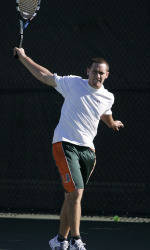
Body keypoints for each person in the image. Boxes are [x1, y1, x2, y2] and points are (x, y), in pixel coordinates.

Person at [13, 47, 124, 250]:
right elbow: (45, 76)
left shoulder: (108, 97)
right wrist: (24, 57)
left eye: (101, 72)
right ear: (87, 71)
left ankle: (60, 240)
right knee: (76, 194)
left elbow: (105, 114)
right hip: (65, 144)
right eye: (94, 71)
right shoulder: (73, 83)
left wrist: (112, 122)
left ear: (106, 75)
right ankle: (76, 239)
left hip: (88, 151)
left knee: (71, 195)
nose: (97, 75)